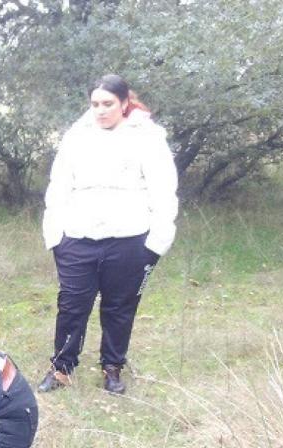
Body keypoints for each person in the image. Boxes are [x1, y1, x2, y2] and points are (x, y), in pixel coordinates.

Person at [39, 74, 178, 395]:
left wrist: (157, 241)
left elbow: (164, 190)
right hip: (77, 237)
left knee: (119, 305)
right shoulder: (76, 136)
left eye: (108, 104)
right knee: (72, 304)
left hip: (130, 239)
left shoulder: (149, 137)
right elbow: (58, 186)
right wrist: (55, 236)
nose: (101, 111)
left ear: (125, 103)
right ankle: (61, 368)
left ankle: (112, 367)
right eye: (95, 104)